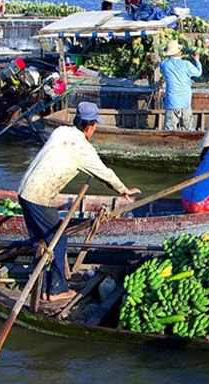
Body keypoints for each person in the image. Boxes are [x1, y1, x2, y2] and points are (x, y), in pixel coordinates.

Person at [16, 101, 140, 303]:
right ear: (89, 127)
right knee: (58, 240)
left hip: (24, 190)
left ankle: (43, 286)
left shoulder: (61, 131)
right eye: (95, 126)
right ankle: (56, 290)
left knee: (40, 242)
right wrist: (123, 190)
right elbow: (104, 174)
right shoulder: (84, 149)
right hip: (39, 197)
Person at [159, 39, 202, 130]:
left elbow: (162, 62)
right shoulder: (186, 64)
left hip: (171, 102)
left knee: (169, 130)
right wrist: (197, 60)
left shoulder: (164, 65)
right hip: (185, 102)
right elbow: (198, 73)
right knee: (189, 130)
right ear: (179, 52)